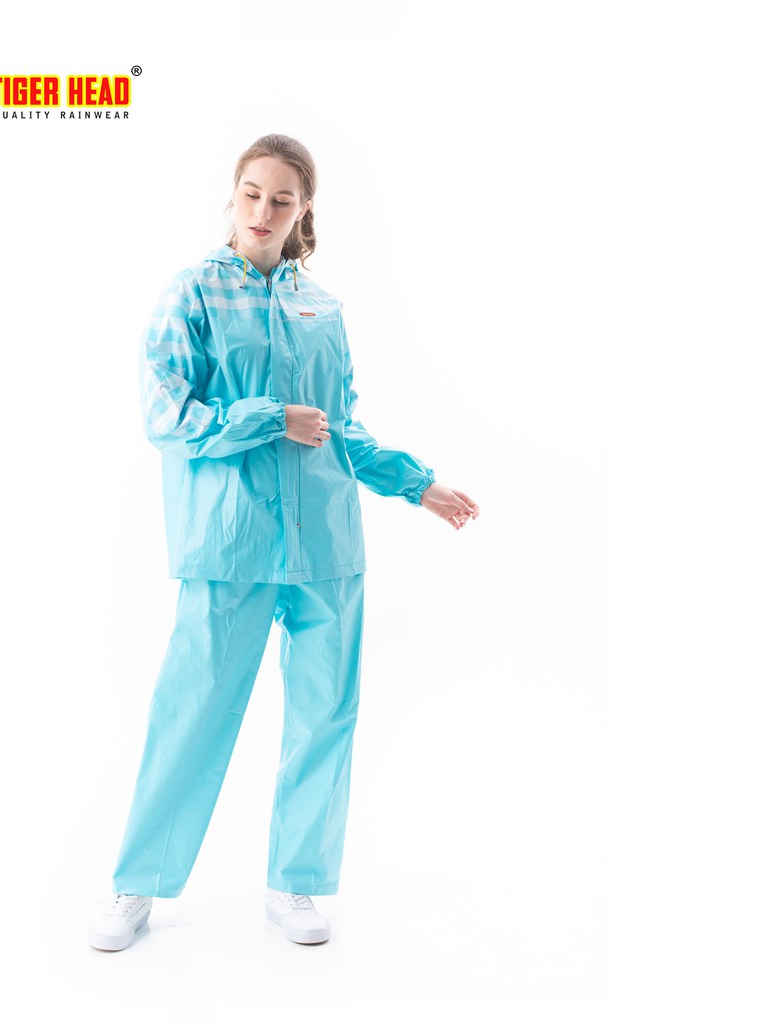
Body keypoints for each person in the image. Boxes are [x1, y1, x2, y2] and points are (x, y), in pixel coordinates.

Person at [88, 133, 479, 952]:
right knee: (192, 712)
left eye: (281, 199)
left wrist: (417, 484)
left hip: (327, 541)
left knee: (325, 714)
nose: (262, 212)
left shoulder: (321, 307)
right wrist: (269, 417)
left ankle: (297, 883)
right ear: (232, 195)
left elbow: (338, 427)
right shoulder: (192, 294)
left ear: (304, 211)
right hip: (229, 542)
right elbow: (166, 416)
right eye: (251, 193)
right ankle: (137, 883)